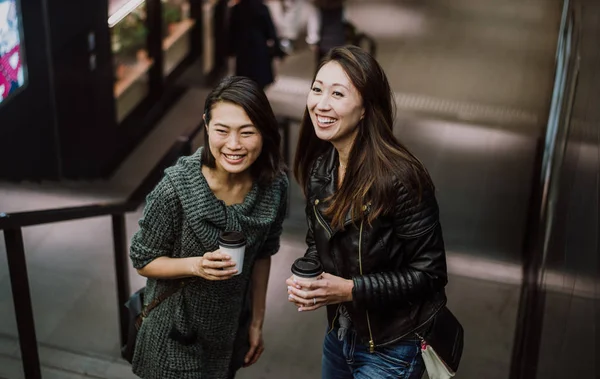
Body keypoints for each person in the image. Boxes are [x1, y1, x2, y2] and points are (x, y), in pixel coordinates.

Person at [286, 45, 448, 379]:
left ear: (364, 109)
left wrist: (349, 290)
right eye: (317, 89)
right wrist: (310, 277)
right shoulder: (322, 167)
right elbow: (319, 240)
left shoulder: (401, 178)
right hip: (341, 333)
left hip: (394, 347)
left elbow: (430, 274)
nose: (321, 104)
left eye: (338, 94)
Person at [129, 76, 288, 379]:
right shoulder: (175, 188)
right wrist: (196, 266)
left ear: (265, 131)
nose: (234, 145)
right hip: (173, 333)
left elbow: (264, 254)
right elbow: (143, 260)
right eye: (222, 130)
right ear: (206, 125)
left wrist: (256, 322)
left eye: (247, 132)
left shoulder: (274, 187)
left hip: (228, 331)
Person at [227, 0, 285, 89]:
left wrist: (230, 49)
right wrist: (277, 48)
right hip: (259, 47)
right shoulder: (262, 8)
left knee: (244, 79)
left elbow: (232, 30)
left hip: (243, 49)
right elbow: (270, 30)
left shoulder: (237, 8)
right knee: (260, 80)